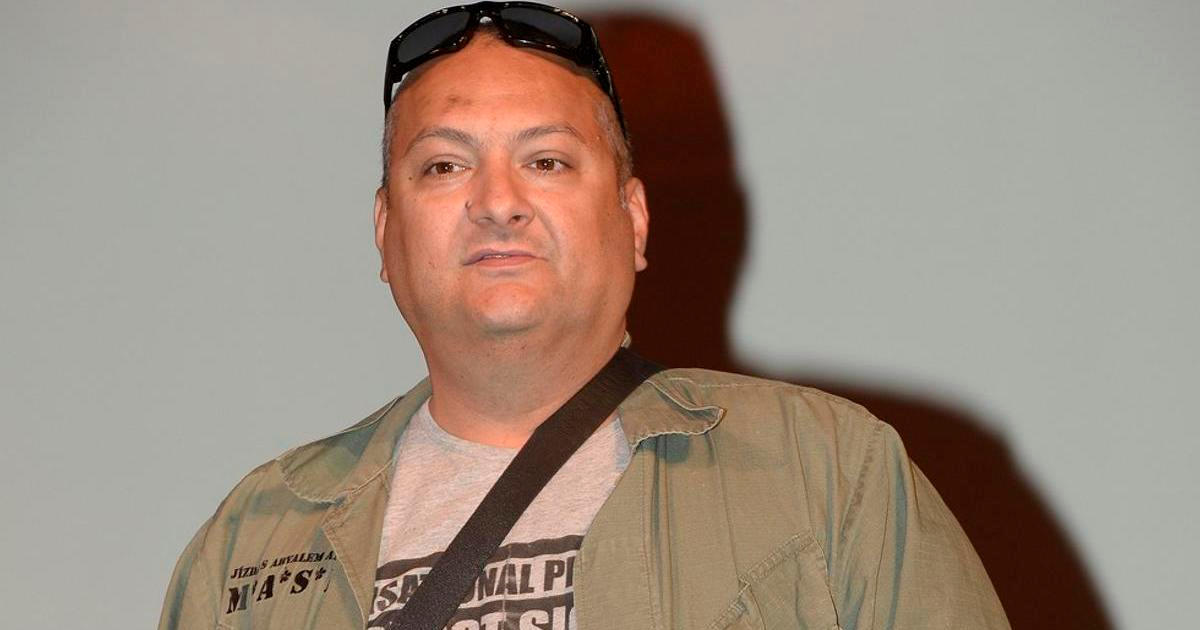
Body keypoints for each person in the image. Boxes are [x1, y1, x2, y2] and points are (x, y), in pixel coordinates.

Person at [159, 3, 1010, 629]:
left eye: (548, 161)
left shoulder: (827, 473)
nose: (498, 202)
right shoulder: (255, 534)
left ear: (633, 220)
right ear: (386, 232)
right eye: (446, 166)